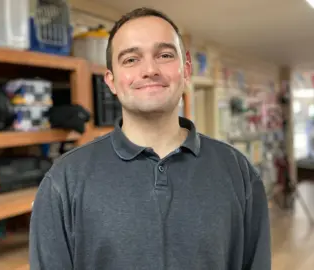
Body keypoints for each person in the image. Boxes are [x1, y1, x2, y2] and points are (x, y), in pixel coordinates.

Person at [29, 7, 271, 270]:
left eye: (165, 55)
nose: (150, 69)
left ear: (186, 70)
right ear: (110, 80)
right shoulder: (65, 180)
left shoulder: (238, 172)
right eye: (131, 59)